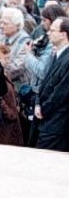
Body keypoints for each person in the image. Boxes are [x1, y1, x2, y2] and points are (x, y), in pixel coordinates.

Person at [35, 16, 69, 151]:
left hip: (57, 122)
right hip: (48, 119)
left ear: (63, 34)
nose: (48, 33)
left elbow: (61, 93)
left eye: (52, 30)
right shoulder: (57, 54)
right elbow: (44, 83)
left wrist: (42, 108)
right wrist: (37, 102)